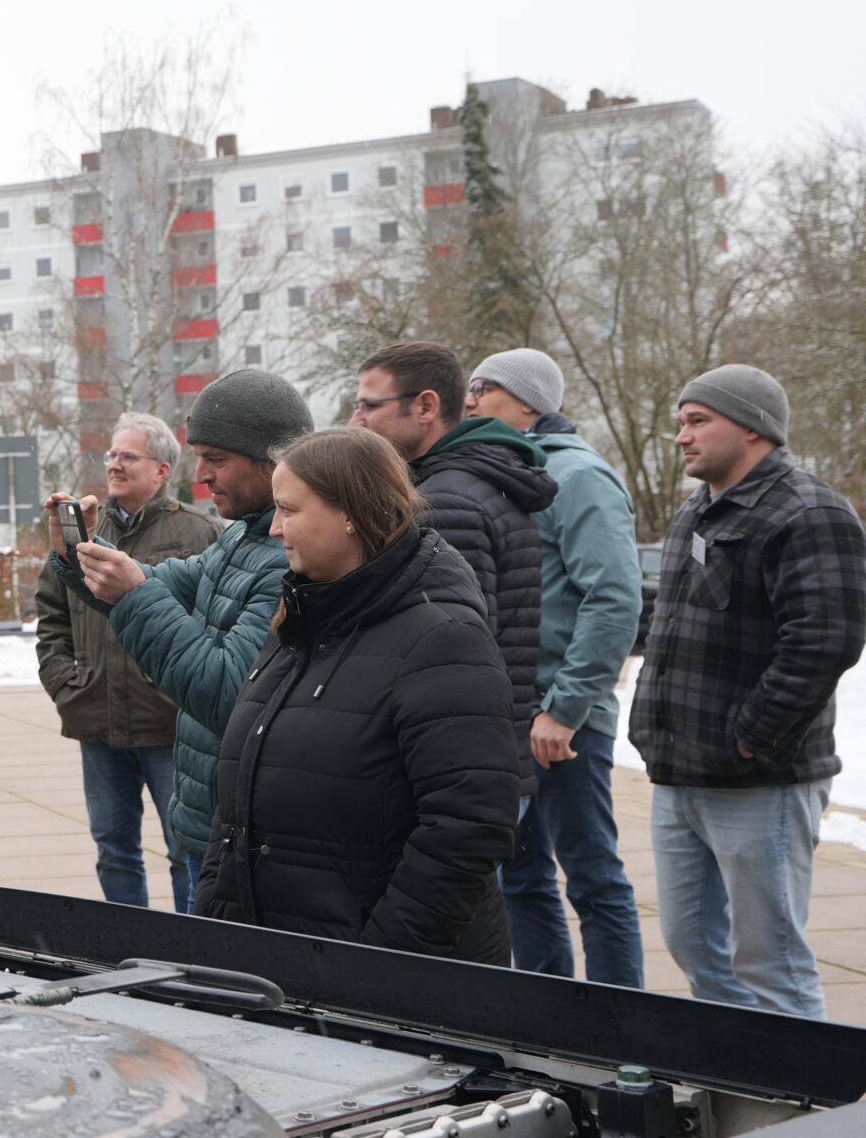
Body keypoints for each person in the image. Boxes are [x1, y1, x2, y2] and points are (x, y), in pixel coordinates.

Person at [201, 428, 522, 961]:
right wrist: (216, 910)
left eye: (288, 510)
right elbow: (238, 792)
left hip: (383, 990)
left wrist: (377, 966)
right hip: (277, 967)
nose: (275, 528)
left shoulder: (441, 638)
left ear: (349, 512)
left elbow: (467, 829)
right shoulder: (300, 620)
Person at [631, 365, 866, 1018]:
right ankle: (741, 1083)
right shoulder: (695, 511)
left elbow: (826, 639)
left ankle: (808, 1102)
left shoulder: (810, 511)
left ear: (753, 427)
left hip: (759, 780)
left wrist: (748, 737)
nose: (681, 436)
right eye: (681, 420)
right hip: (678, 774)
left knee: (771, 963)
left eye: (698, 419)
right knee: (694, 949)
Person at [47, 369, 314, 879]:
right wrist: (81, 554)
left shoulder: (286, 556)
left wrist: (134, 593)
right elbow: (158, 583)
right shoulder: (240, 539)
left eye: (216, 459)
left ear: (273, 461)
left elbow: (228, 692)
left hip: (246, 834)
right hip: (214, 820)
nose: (202, 476)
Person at [466, 350, 646, 985]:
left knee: (593, 879)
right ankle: (551, 1018)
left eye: (481, 389)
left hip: (565, 725)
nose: (469, 401)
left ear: (526, 403)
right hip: (517, 716)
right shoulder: (513, 474)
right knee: (521, 878)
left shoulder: (579, 477)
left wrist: (565, 710)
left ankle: (623, 1030)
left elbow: (616, 598)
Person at [35, 412, 217, 910]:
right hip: (97, 717)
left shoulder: (200, 532)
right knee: (114, 849)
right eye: (111, 454)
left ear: (161, 470)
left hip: (168, 723)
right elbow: (50, 615)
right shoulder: (80, 533)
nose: (113, 465)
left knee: (187, 849)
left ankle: (189, 950)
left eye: (127, 456)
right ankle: (126, 949)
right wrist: (67, 683)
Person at [349, 341, 558, 728]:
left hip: (453, 747)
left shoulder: (446, 502)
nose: (355, 421)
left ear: (426, 406)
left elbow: (447, 651)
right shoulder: (469, 483)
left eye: (370, 406)